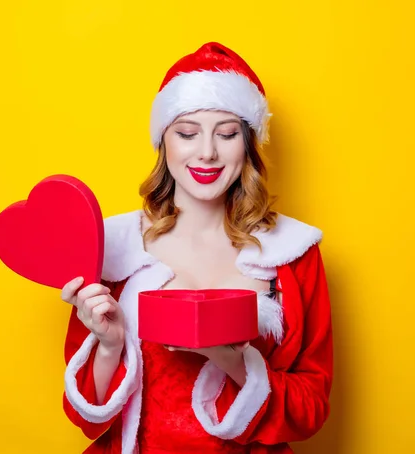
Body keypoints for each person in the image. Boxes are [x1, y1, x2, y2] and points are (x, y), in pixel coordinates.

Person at [60, 42, 333, 454]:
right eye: (187, 133)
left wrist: (233, 362)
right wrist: (110, 344)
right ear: (163, 141)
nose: (207, 151)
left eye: (226, 134)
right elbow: (85, 417)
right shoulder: (111, 249)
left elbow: (311, 408)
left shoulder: (293, 253)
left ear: (248, 145)